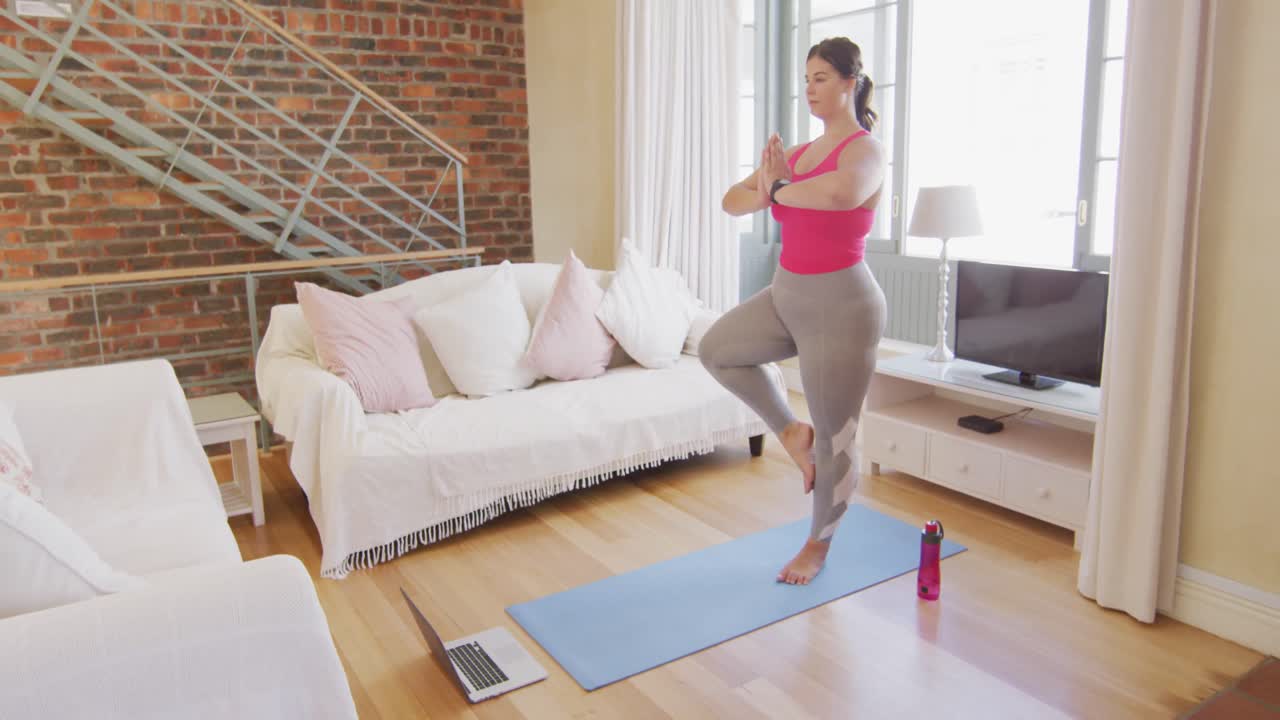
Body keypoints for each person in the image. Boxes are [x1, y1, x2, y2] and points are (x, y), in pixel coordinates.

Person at [700, 37, 888, 585]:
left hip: (842, 306)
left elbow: (839, 195)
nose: (810, 89)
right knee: (717, 350)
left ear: (851, 82)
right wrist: (769, 188)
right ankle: (788, 431)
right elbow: (731, 201)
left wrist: (777, 187)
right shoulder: (799, 156)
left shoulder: (865, 151)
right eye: (806, 79)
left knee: (837, 436)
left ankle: (817, 544)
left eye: (822, 78)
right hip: (787, 294)